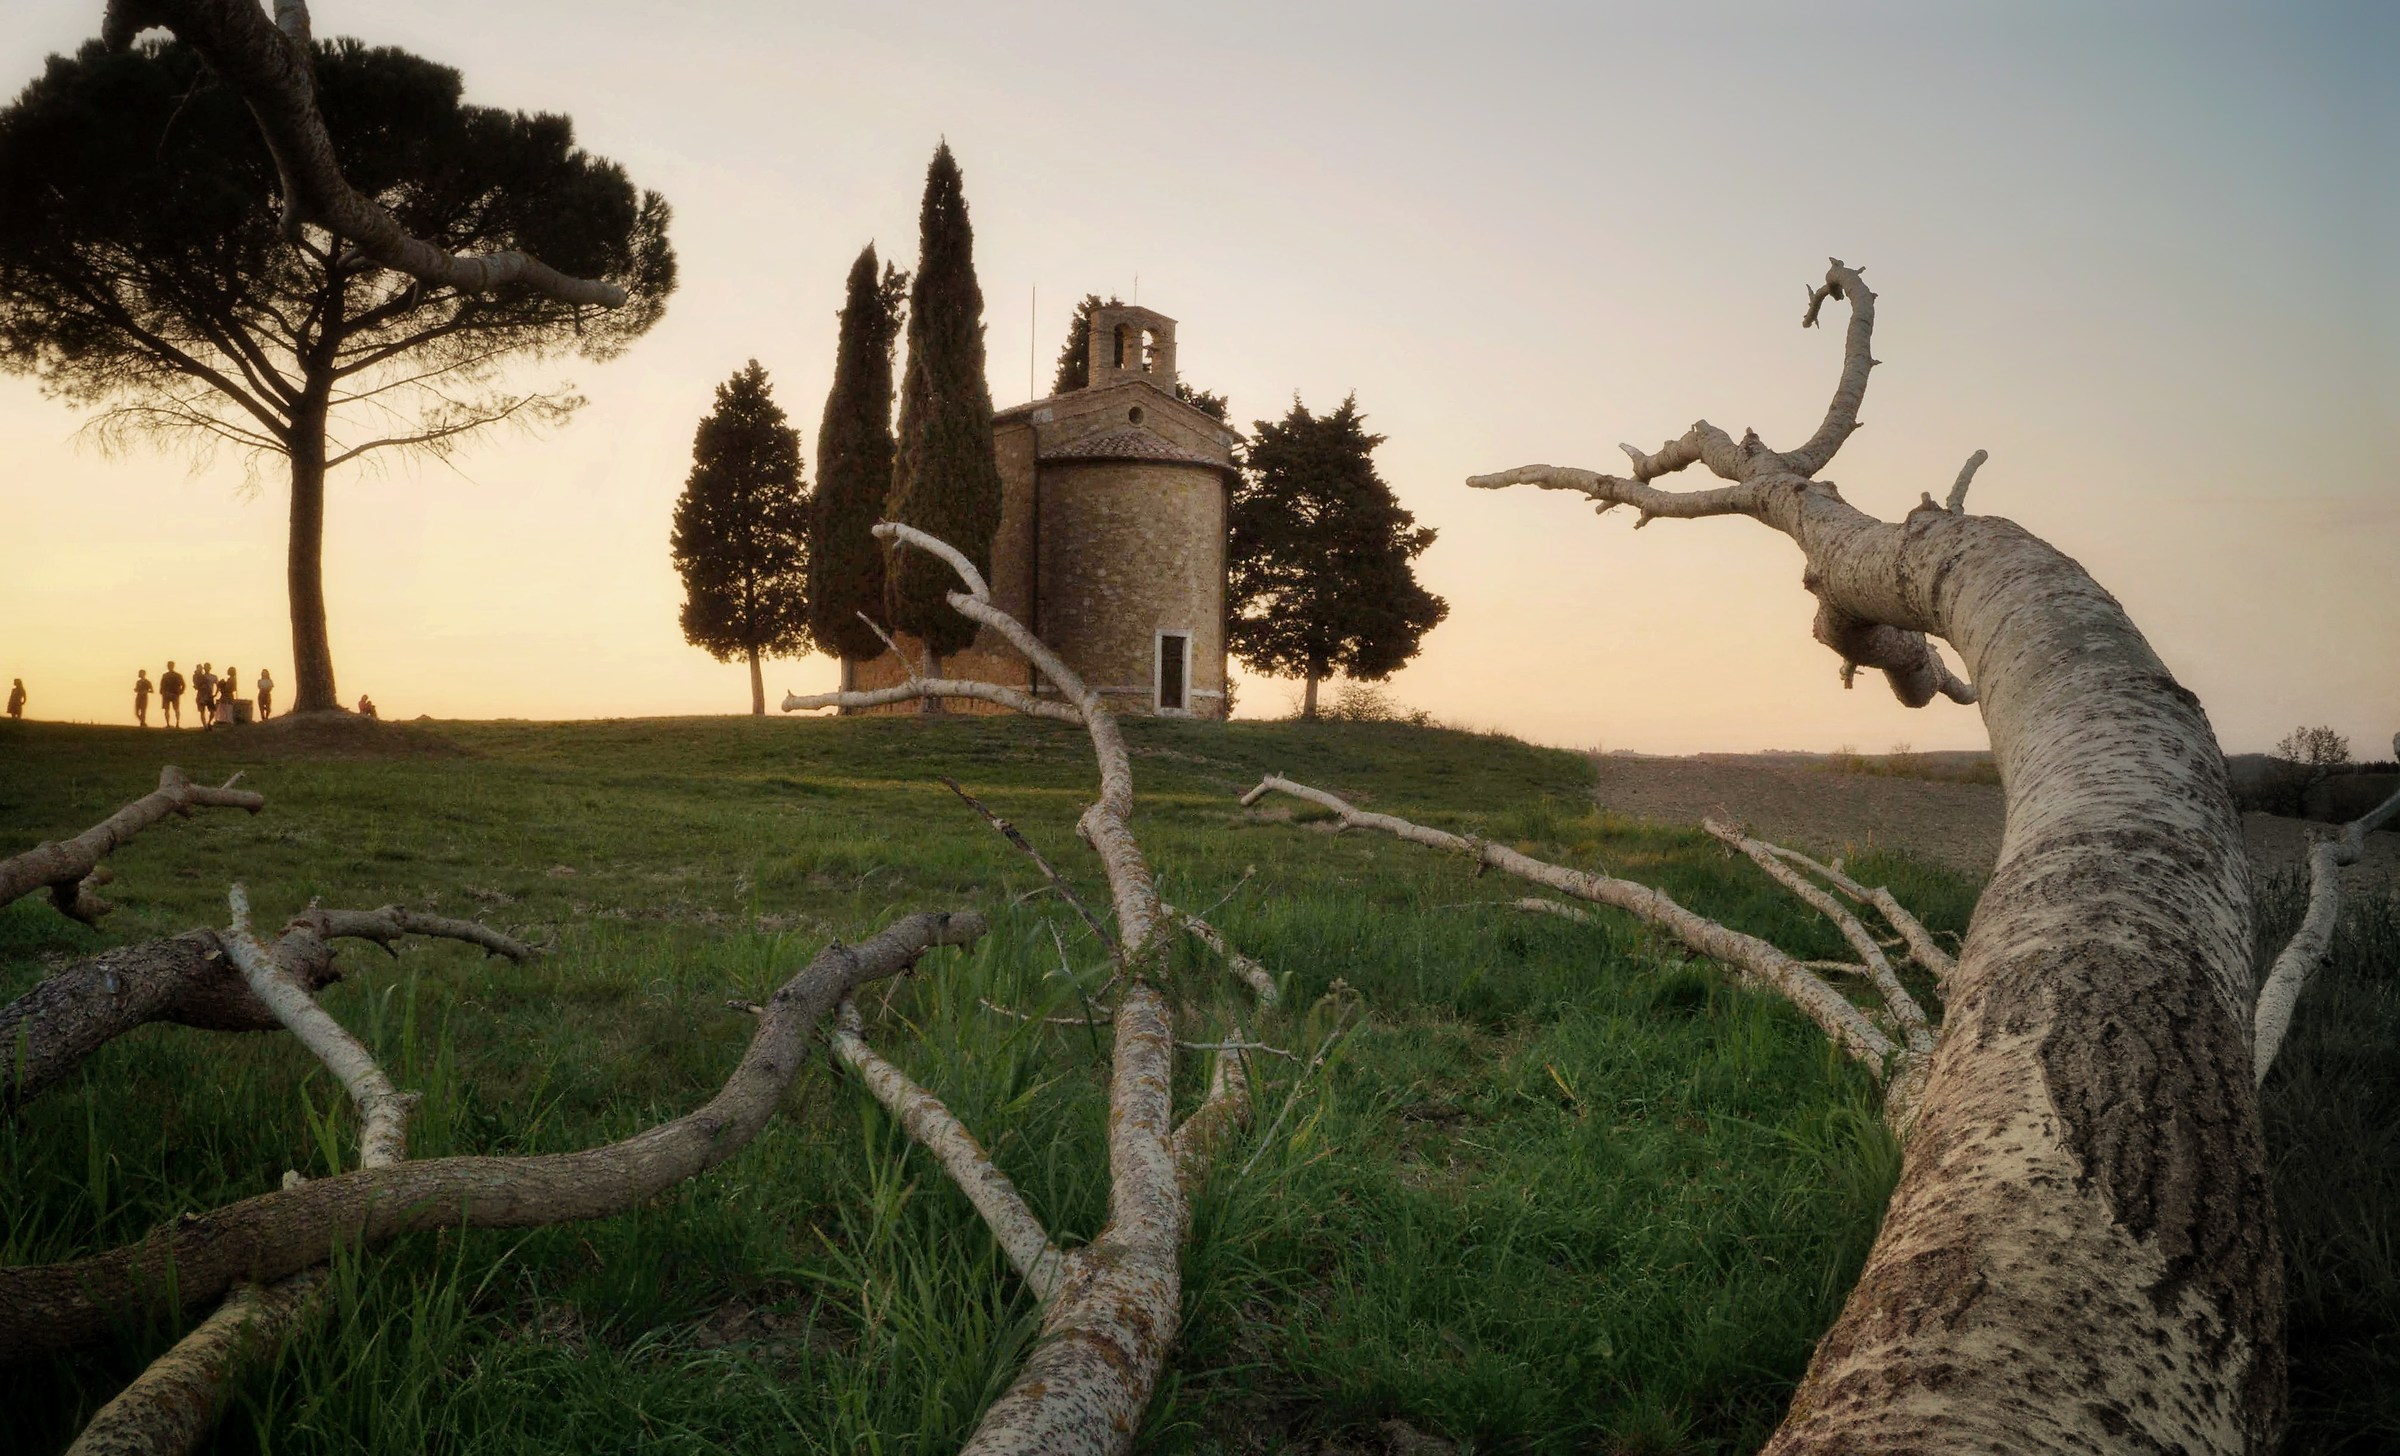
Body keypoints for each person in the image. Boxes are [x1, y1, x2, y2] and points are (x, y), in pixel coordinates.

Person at [159, 661, 185, 727]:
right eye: (169, 665)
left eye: (170, 665)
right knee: (170, 709)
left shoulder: (175, 675)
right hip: (170, 694)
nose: (169, 666)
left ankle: (175, 723)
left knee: (174, 709)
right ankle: (172, 723)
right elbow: (161, 685)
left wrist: (180, 692)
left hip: (173, 694)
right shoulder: (169, 675)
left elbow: (183, 685)